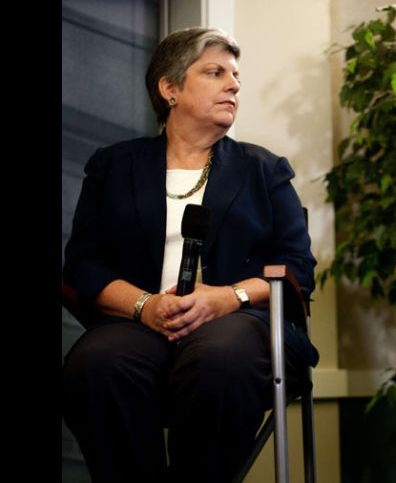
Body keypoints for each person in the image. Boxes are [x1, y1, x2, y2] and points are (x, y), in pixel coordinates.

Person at [61, 27, 317, 482]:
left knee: (219, 355)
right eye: (215, 73)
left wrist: (225, 297)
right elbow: (84, 265)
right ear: (170, 89)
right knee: (95, 364)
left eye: (236, 76)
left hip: (242, 326)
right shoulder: (113, 166)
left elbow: (297, 268)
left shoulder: (264, 169)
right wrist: (145, 306)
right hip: (141, 324)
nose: (233, 85)